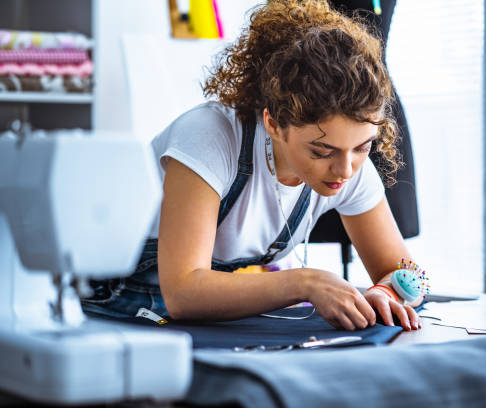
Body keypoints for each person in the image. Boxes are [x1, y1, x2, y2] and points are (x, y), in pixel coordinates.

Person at [82, 0, 423, 332]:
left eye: (362, 147)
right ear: (273, 123)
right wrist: (306, 282)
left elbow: (405, 272)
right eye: (321, 151)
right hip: (118, 311)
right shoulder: (210, 138)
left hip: (208, 325)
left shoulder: (349, 167)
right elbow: (183, 291)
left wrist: (386, 291)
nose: (346, 170)